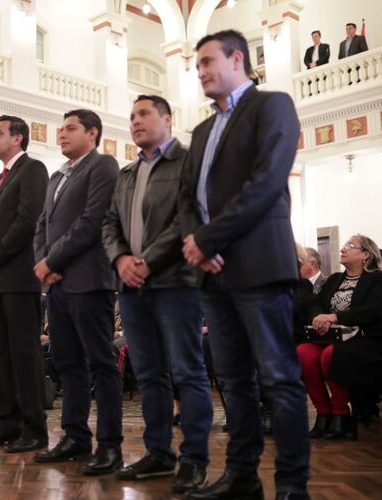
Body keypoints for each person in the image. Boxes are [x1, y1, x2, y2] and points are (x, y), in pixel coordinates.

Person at [178, 30, 310, 500]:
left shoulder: (272, 105)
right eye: (196, 66)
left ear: (238, 59)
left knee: (278, 379)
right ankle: (242, 476)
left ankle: (293, 486)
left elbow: (267, 181)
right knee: (233, 381)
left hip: (257, 264)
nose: (201, 72)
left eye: (208, 62)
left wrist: (210, 237)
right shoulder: (200, 130)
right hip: (213, 272)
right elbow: (187, 197)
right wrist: (196, 242)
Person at [102, 95, 213, 492]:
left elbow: (188, 219)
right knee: (149, 375)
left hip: (175, 284)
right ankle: (158, 454)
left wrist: (146, 260)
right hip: (131, 287)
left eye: (144, 114)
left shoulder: (186, 162)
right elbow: (110, 224)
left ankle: (195, 459)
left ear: (168, 119)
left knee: (187, 373)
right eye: (131, 115)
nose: (135, 121)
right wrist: (120, 261)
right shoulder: (127, 173)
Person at [32, 109, 121, 475]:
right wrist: (43, 262)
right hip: (59, 284)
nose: (62, 134)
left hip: (90, 279)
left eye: (71, 129)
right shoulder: (56, 177)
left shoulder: (103, 166)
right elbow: (42, 225)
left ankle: (111, 446)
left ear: (92, 133)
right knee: (68, 363)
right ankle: (75, 437)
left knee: (101, 363)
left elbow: (91, 221)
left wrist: (50, 261)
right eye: (61, 128)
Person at [0, 115, 49, 453]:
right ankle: (6, 424)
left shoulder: (33, 170)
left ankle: (34, 429)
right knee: (0, 355)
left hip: (18, 278)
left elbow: (28, 220)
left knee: (25, 356)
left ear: (17, 139)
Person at [300, 235, 382, 439]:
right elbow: (316, 303)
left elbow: (374, 311)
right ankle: (323, 413)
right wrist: (319, 318)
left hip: (368, 340)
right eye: (343, 246)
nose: (343, 249)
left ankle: (341, 413)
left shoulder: (380, 279)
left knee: (330, 355)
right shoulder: (334, 279)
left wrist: (335, 316)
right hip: (333, 336)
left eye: (350, 246)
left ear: (365, 254)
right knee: (304, 353)